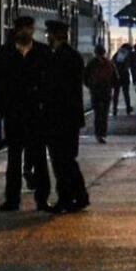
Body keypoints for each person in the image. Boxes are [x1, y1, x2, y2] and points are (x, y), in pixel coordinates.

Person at [0, 15, 51, 212]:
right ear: (16, 30)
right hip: (14, 113)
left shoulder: (43, 52)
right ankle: (12, 199)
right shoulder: (5, 52)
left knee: (40, 157)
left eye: (29, 28)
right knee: (14, 159)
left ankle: (42, 199)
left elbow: (51, 82)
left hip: (36, 113)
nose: (26, 31)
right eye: (23, 28)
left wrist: (45, 104)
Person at [41, 20, 91, 212]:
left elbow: (55, 89)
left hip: (60, 117)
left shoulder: (61, 58)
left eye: (49, 34)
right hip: (69, 117)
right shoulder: (73, 56)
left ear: (55, 35)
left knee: (62, 161)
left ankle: (68, 198)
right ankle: (78, 196)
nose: (47, 37)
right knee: (67, 160)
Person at [87, 43, 118, 143]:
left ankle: (97, 133)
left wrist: (90, 86)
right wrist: (111, 87)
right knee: (104, 113)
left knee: (97, 113)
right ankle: (103, 133)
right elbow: (115, 78)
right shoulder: (109, 63)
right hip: (106, 91)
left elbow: (85, 76)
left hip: (95, 91)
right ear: (104, 52)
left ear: (95, 52)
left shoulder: (91, 63)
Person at [113, 42, 136, 115]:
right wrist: (134, 78)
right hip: (125, 74)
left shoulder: (117, 53)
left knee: (116, 93)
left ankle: (114, 109)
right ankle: (128, 108)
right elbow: (133, 67)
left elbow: (112, 63)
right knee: (126, 92)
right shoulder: (129, 54)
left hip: (117, 75)